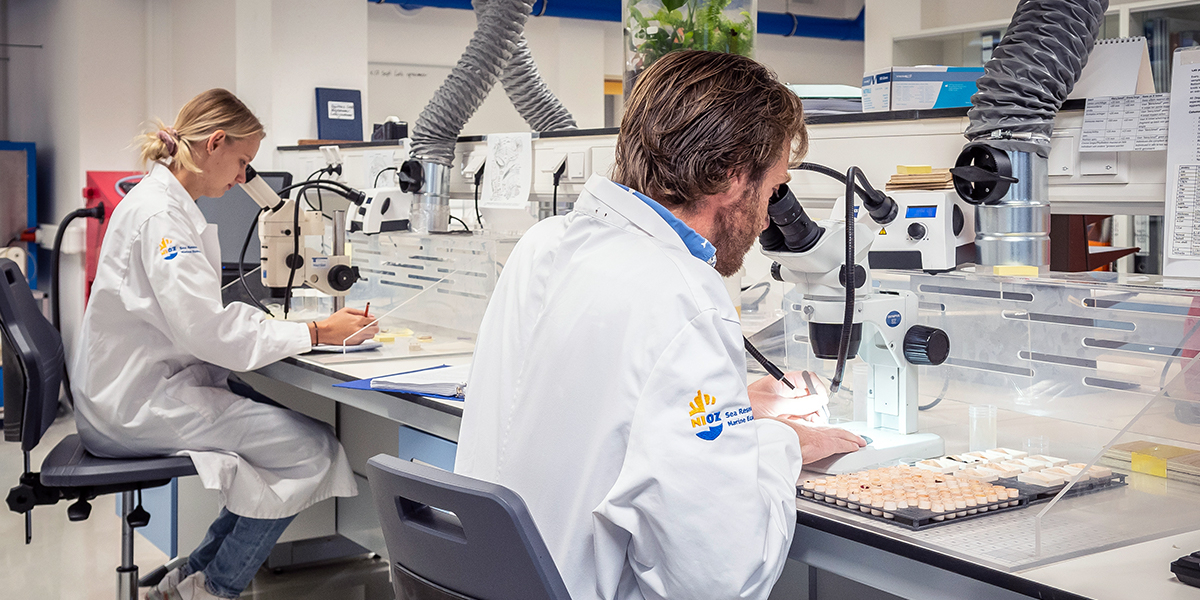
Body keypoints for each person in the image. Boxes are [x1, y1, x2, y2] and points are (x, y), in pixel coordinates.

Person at [454, 50, 866, 600]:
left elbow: (596, 408)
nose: (770, 216)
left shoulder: (543, 245)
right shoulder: (683, 294)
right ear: (728, 175)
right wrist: (774, 443)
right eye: (772, 190)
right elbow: (722, 580)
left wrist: (735, 404)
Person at [70, 88, 379, 600]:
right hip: (135, 403)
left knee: (289, 438)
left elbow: (198, 319)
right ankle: (212, 589)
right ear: (214, 143)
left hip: (141, 387)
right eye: (242, 162)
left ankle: (187, 576)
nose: (242, 178)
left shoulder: (163, 202)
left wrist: (287, 330)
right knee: (312, 449)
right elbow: (207, 331)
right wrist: (319, 332)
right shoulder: (164, 218)